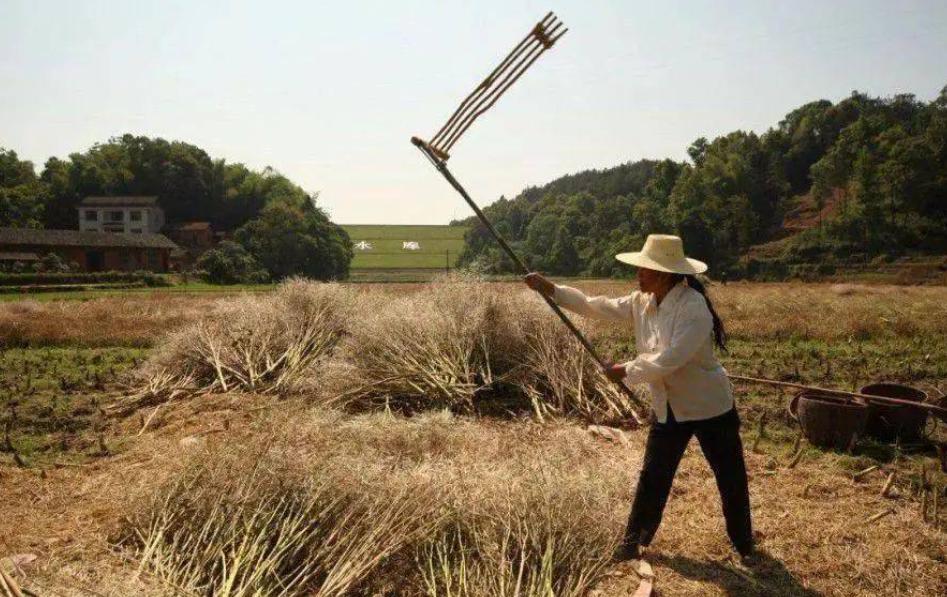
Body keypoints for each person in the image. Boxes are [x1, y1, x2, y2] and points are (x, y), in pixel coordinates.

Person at [524, 234, 753, 561]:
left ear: (664, 273)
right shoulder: (642, 302)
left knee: (729, 475)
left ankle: (744, 542)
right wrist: (552, 290)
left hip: (709, 406)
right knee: (653, 475)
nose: (638, 275)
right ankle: (633, 541)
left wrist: (626, 370)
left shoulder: (693, 307)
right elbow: (595, 305)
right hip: (669, 407)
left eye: (644, 269)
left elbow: (671, 359)